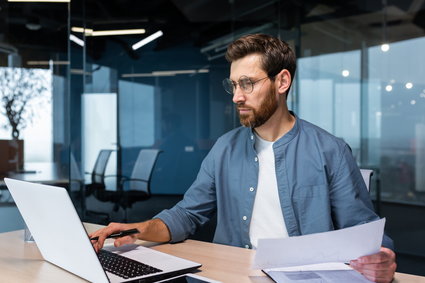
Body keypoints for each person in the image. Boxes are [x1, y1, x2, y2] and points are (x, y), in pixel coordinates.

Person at [90, 34, 396, 283]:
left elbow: (364, 231)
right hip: (231, 275)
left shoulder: (330, 150)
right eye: (234, 85)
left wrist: (381, 256)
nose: (237, 96)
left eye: (247, 84)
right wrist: (133, 229)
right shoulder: (224, 148)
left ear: (282, 82)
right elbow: (186, 215)